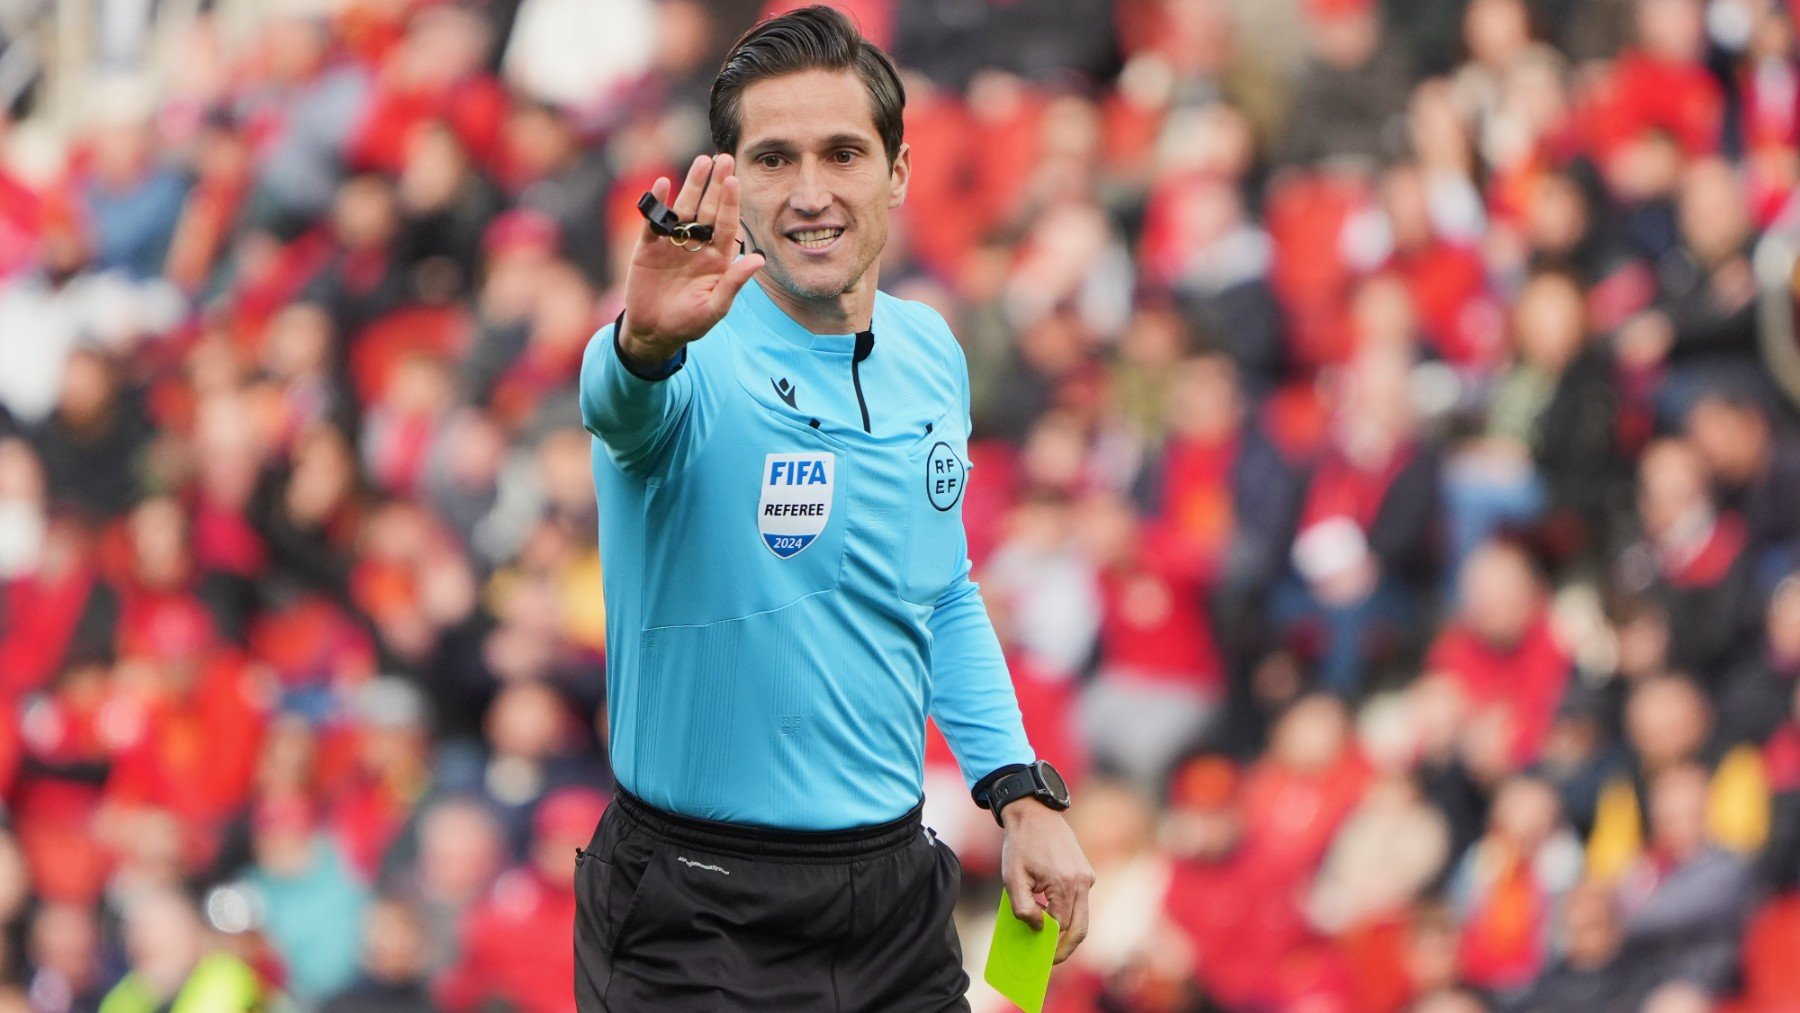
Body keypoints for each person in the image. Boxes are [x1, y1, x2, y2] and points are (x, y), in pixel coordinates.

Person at [574, 6, 1092, 1009]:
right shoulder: (685, 354)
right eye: (773, 160)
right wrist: (640, 340)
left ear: (897, 171)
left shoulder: (930, 350)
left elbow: (936, 589)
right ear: (731, 179)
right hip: (696, 914)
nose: (810, 193)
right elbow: (619, 402)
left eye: (843, 152)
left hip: (892, 897)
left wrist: (1019, 792)